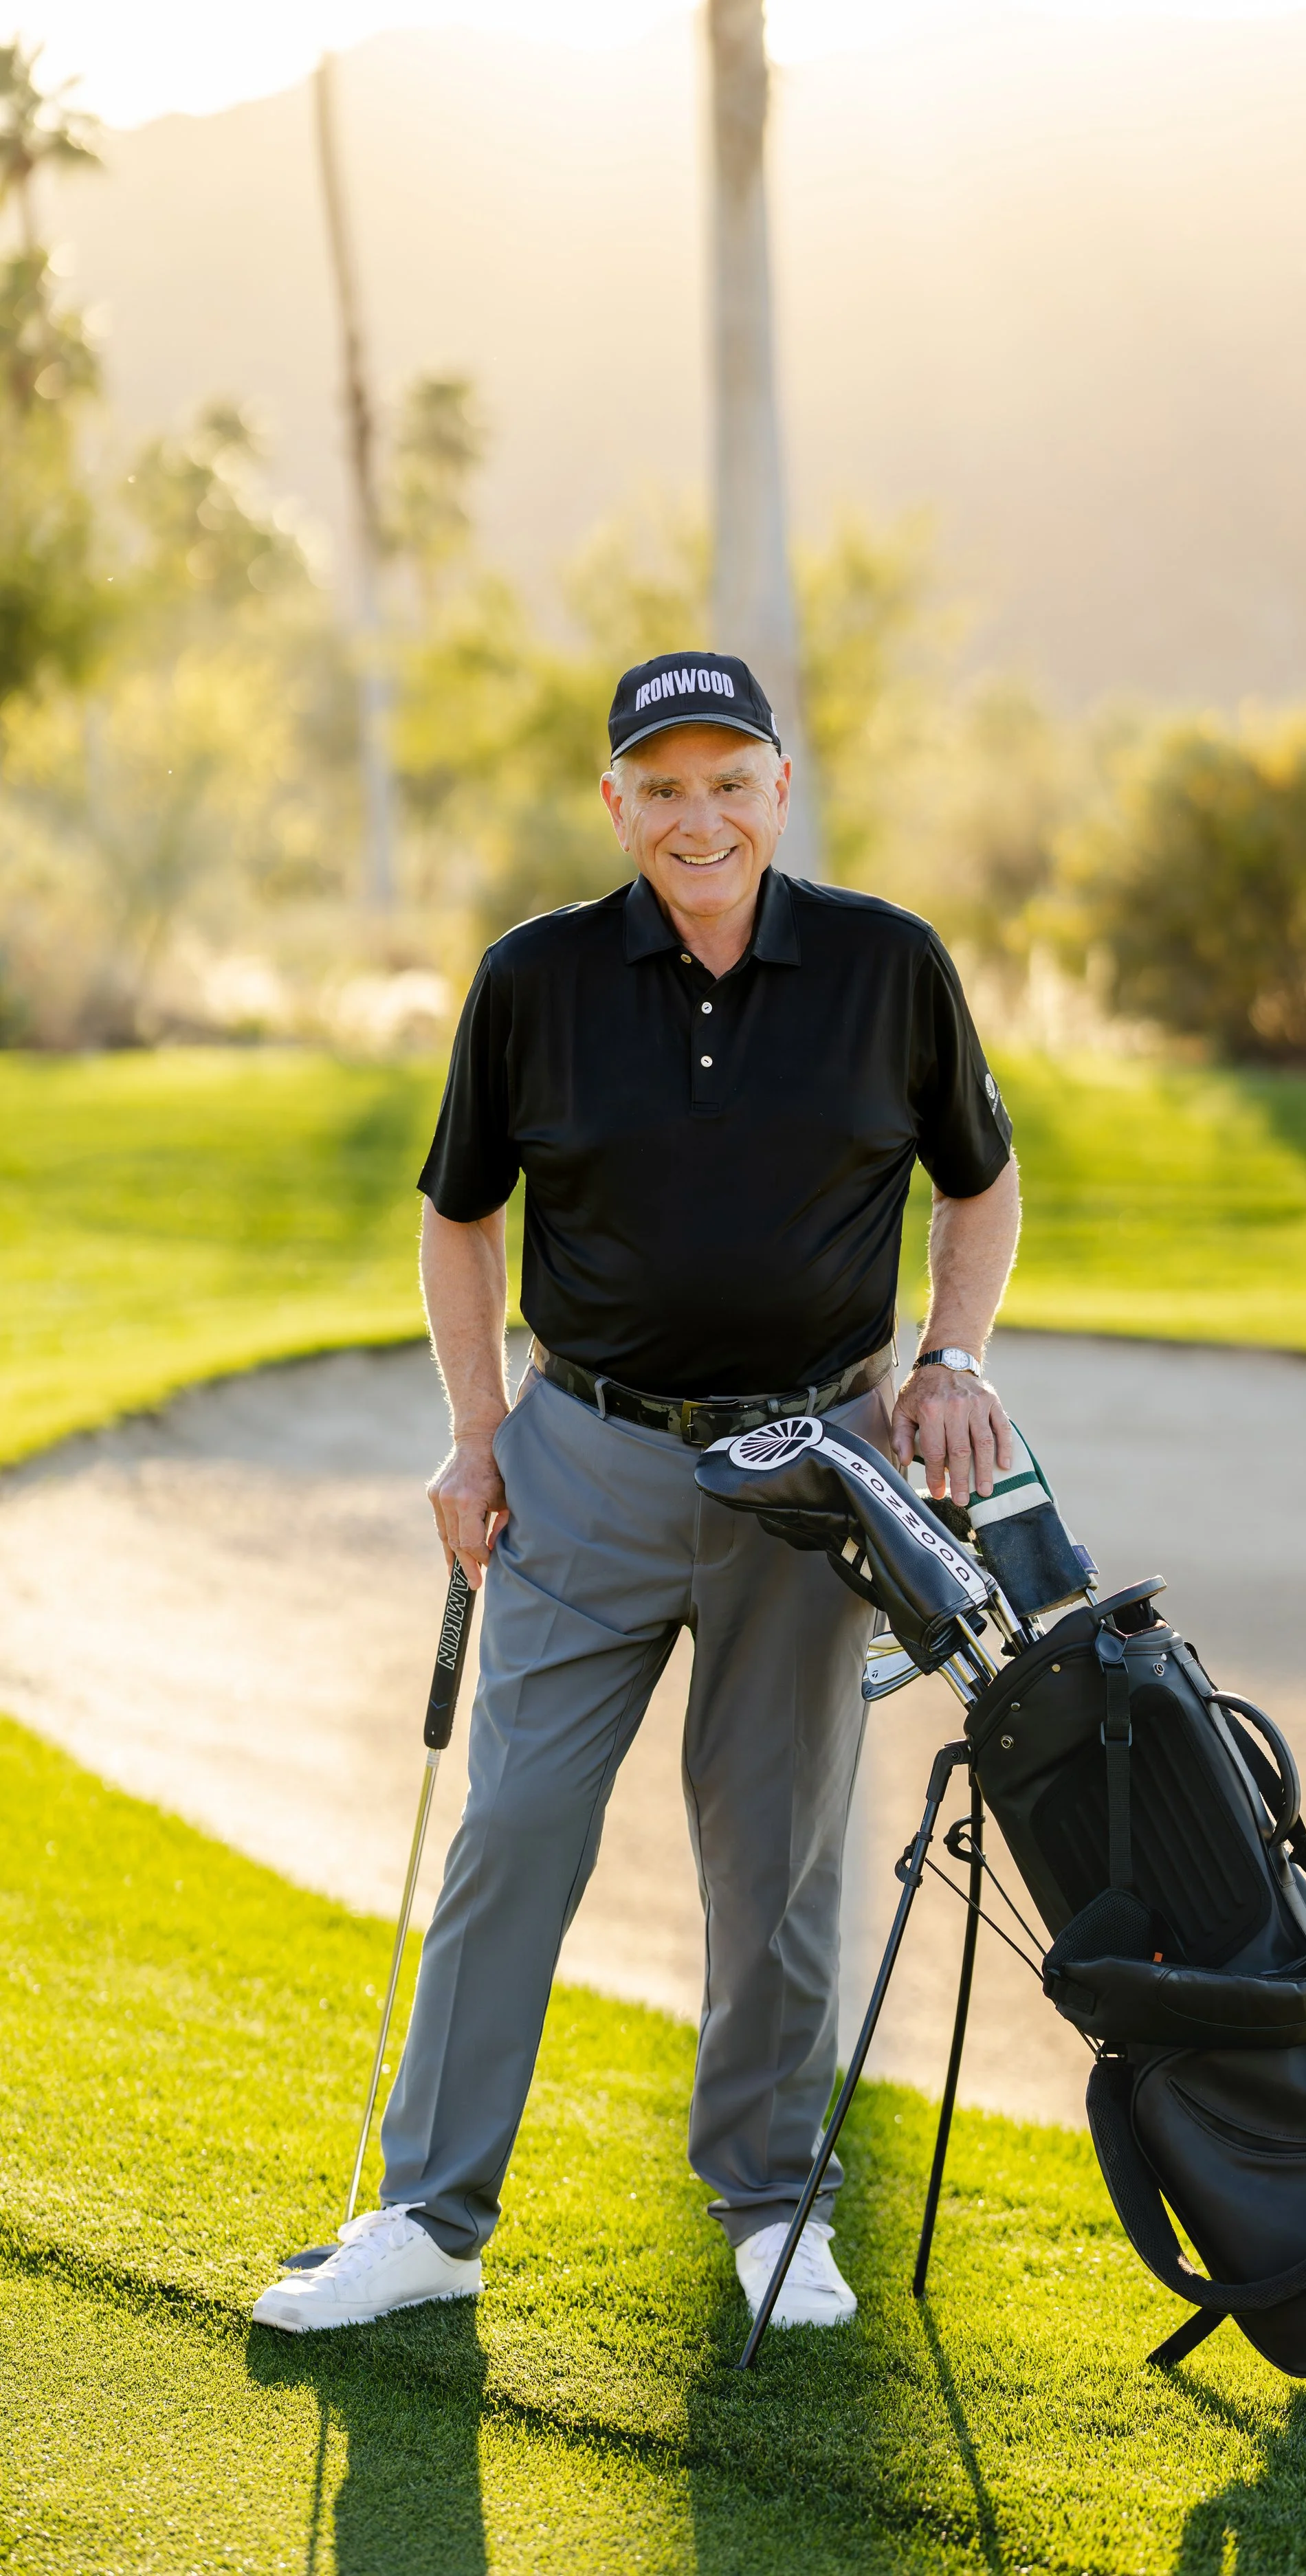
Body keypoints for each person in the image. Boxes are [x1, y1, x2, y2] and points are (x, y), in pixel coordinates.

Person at [253, 650, 1020, 2335]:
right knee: (515, 1830)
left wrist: (952, 1359)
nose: (697, 817)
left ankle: (770, 2200)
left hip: (811, 1469)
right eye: (660, 786)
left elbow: (980, 1181)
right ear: (613, 800)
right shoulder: (532, 977)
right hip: (578, 1460)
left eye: (726, 781)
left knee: (777, 1854)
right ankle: (430, 2214)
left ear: (778, 789)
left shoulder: (888, 965)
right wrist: (474, 1434)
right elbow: (459, 1216)